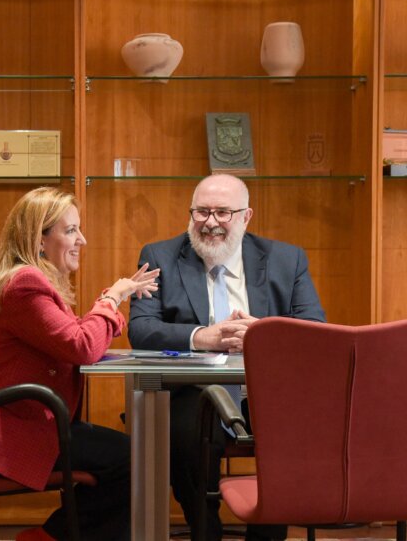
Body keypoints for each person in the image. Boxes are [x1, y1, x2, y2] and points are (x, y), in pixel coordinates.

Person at [0, 187, 159, 541]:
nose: (82, 240)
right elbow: (82, 346)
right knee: (134, 459)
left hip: (24, 420)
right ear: (39, 239)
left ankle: (51, 535)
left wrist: (111, 300)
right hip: (9, 431)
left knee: (133, 457)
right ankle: (50, 536)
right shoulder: (24, 284)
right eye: (71, 230)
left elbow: (78, 337)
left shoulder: (32, 281)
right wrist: (113, 298)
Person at [129, 174, 326, 541]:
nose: (210, 223)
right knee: (184, 433)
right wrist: (201, 336)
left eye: (223, 212)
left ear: (246, 216)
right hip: (195, 390)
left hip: (266, 391)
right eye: (201, 212)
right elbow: (141, 329)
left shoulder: (286, 259)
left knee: (293, 429)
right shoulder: (160, 256)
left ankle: (266, 536)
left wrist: (263, 335)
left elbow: (315, 328)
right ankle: (205, 530)